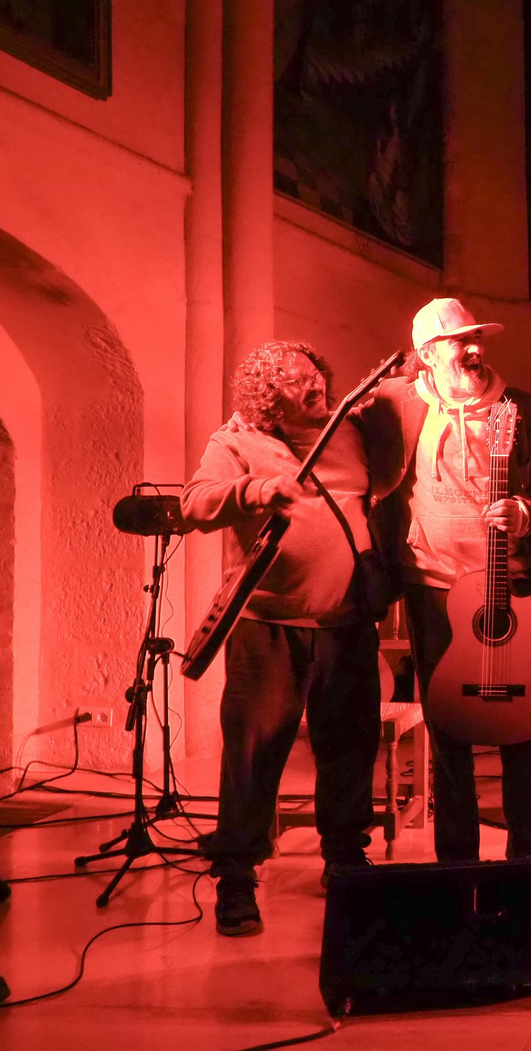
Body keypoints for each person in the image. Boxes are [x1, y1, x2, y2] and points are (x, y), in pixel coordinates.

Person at [364, 298, 531, 891]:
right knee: (450, 728)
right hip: (433, 588)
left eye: (478, 337)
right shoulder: (398, 409)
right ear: (428, 355)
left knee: (529, 725)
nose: (475, 348)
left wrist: (527, 511)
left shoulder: (521, 408)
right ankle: (457, 864)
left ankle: (529, 859)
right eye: (459, 341)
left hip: (514, 590)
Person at [182, 341, 382, 937]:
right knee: (254, 753)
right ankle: (237, 878)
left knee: (349, 746)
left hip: (346, 623)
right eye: (298, 382)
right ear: (271, 400)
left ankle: (345, 857)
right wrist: (255, 491)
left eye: (316, 373)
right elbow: (195, 503)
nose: (315, 385)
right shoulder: (236, 441)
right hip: (269, 626)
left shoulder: (348, 429)